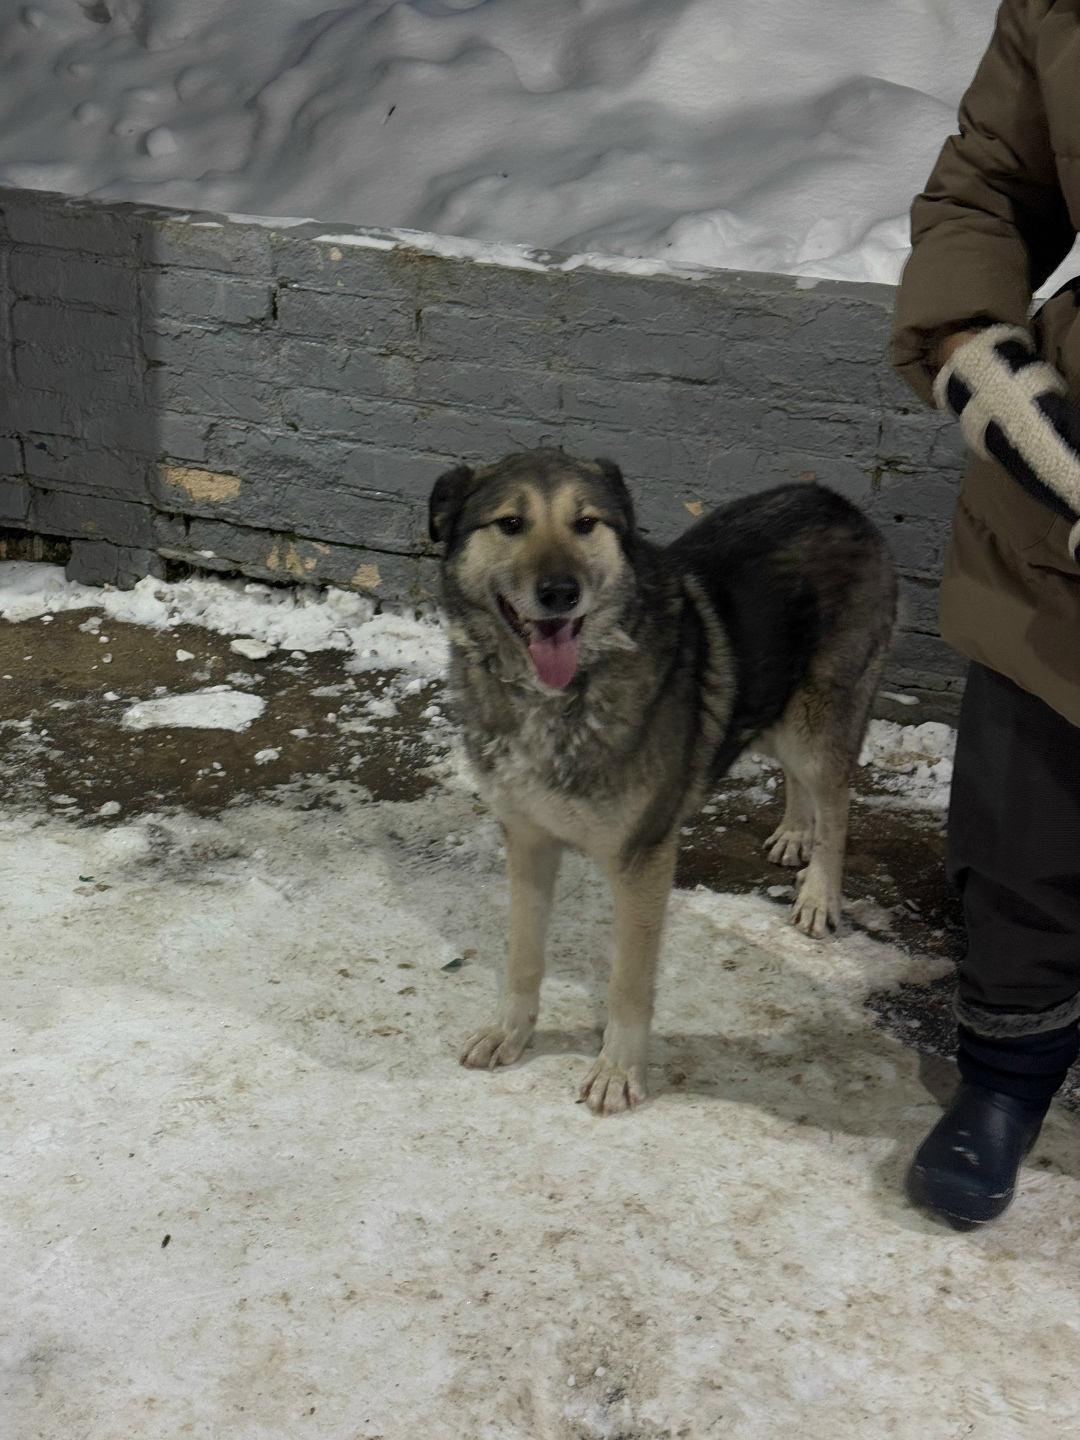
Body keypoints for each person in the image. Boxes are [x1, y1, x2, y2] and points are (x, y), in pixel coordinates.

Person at [892, 0, 1080, 1226]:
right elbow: (990, 189)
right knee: (1026, 827)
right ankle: (1007, 1075)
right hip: (1060, 503)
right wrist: (994, 373)